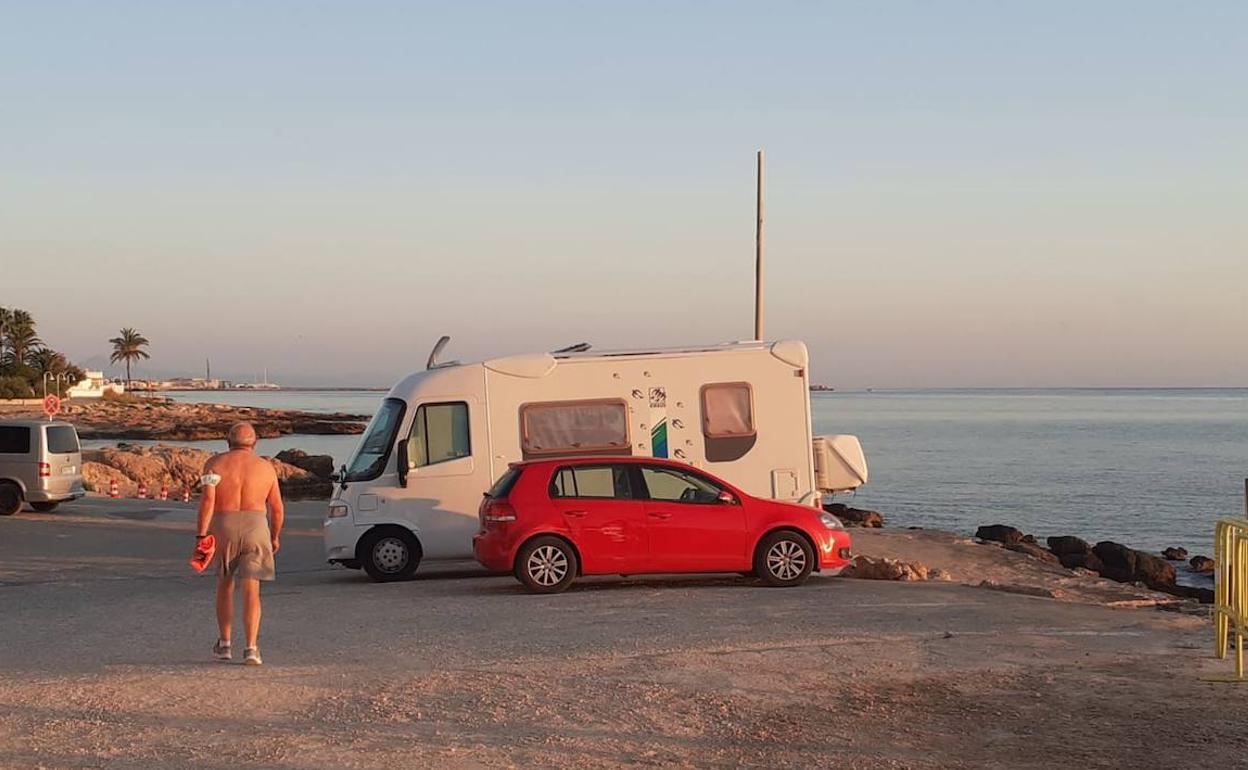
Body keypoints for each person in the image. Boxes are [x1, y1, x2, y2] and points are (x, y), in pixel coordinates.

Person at [195, 422, 284, 666]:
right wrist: (275, 536)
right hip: (256, 526)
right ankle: (251, 648)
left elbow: (207, 502)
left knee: (224, 585)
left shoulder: (214, 464)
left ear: (228, 442)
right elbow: (276, 509)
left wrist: (201, 535)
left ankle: (224, 644)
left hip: (224, 524)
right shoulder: (266, 468)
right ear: (254, 444)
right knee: (251, 589)